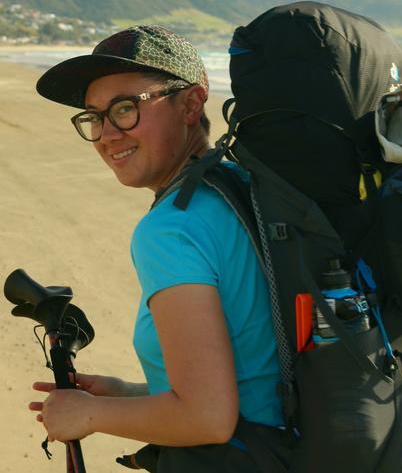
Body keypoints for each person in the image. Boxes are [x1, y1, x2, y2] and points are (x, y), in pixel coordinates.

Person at [29, 26, 284, 468]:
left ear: (190, 103)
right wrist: (129, 394)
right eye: (94, 117)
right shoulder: (241, 187)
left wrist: (88, 413)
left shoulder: (170, 229)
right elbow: (254, 373)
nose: (107, 134)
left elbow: (208, 418)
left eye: (126, 109)